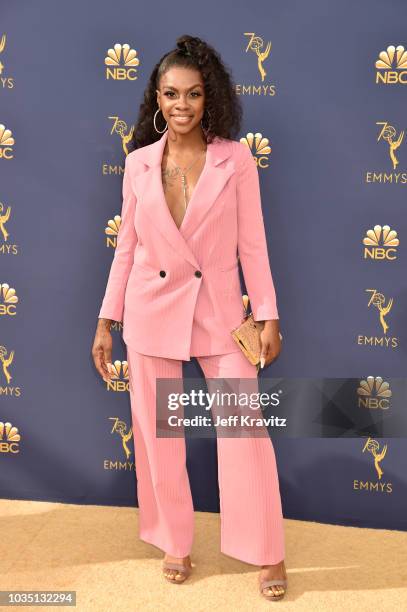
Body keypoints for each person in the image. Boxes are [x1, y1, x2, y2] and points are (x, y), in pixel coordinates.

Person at [92, 34, 287, 601]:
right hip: (149, 313)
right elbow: (125, 249)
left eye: (194, 94)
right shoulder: (137, 165)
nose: (182, 105)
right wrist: (106, 321)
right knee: (159, 439)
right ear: (157, 97)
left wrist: (268, 314)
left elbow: (254, 244)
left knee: (244, 434)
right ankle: (175, 539)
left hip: (223, 315)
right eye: (172, 93)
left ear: (210, 98)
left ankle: (266, 551)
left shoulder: (236, 158)